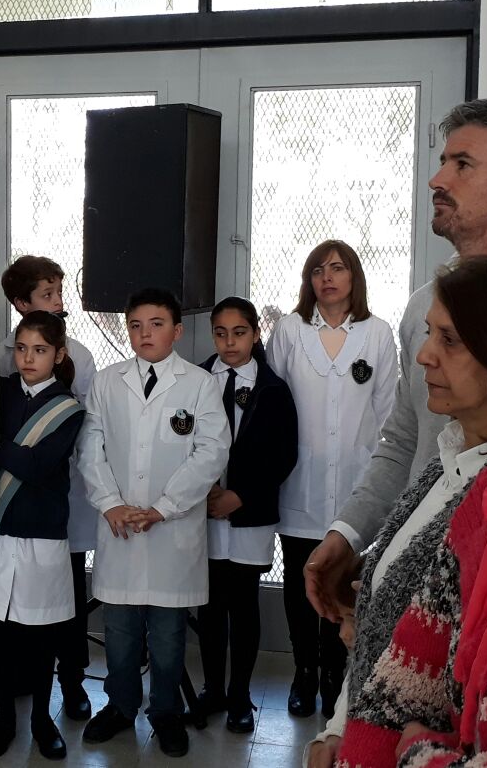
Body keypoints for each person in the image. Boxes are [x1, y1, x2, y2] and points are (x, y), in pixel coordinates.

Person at [306, 99, 487, 627]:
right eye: (443, 161)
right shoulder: (425, 303)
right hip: (409, 574)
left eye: (462, 164)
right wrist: (348, 532)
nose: (437, 180)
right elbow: (404, 439)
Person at [306, 255, 487, 767]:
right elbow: (387, 650)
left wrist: (414, 751)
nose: (424, 356)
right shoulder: (443, 465)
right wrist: (337, 729)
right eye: (428, 334)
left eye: (450, 340)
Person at [78, 288, 230, 758]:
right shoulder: (107, 382)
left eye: (156, 324)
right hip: (120, 526)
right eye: (136, 325)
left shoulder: (199, 384)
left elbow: (212, 451)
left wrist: (165, 506)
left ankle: (165, 712)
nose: (145, 334)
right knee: (120, 634)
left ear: (177, 331)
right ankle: (121, 706)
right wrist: (110, 503)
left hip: (172, 529)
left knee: (167, 637)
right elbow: (90, 448)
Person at [266, 240, 398, 719]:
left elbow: (388, 411)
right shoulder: (290, 329)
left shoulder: (377, 333)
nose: (328, 278)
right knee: (300, 582)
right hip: (299, 481)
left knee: (343, 580)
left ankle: (335, 676)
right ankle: (304, 672)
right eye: (318, 270)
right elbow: (272, 404)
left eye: (338, 268)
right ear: (309, 280)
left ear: (353, 277)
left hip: (356, 486)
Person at [0, 255, 97, 719]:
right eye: (47, 294)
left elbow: (79, 430)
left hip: (58, 500)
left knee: (61, 603)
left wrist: (4, 449)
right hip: (10, 506)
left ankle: (70, 682)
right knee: (10, 602)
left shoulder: (78, 355)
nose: (58, 301)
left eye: (58, 292)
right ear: (20, 303)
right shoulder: (0, 355)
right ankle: (14, 679)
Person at [196, 297, 298, 734]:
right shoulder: (198, 379)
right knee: (210, 604)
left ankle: (239, 694)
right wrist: (203, 492)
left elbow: (283, 455)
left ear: (256, 334)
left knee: (242, 602)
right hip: (205, 511)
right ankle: (212, 690)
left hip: (250, 514)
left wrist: (240, 496)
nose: (229, 342)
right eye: (220, 333)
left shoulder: (273, 389)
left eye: (239, 333)